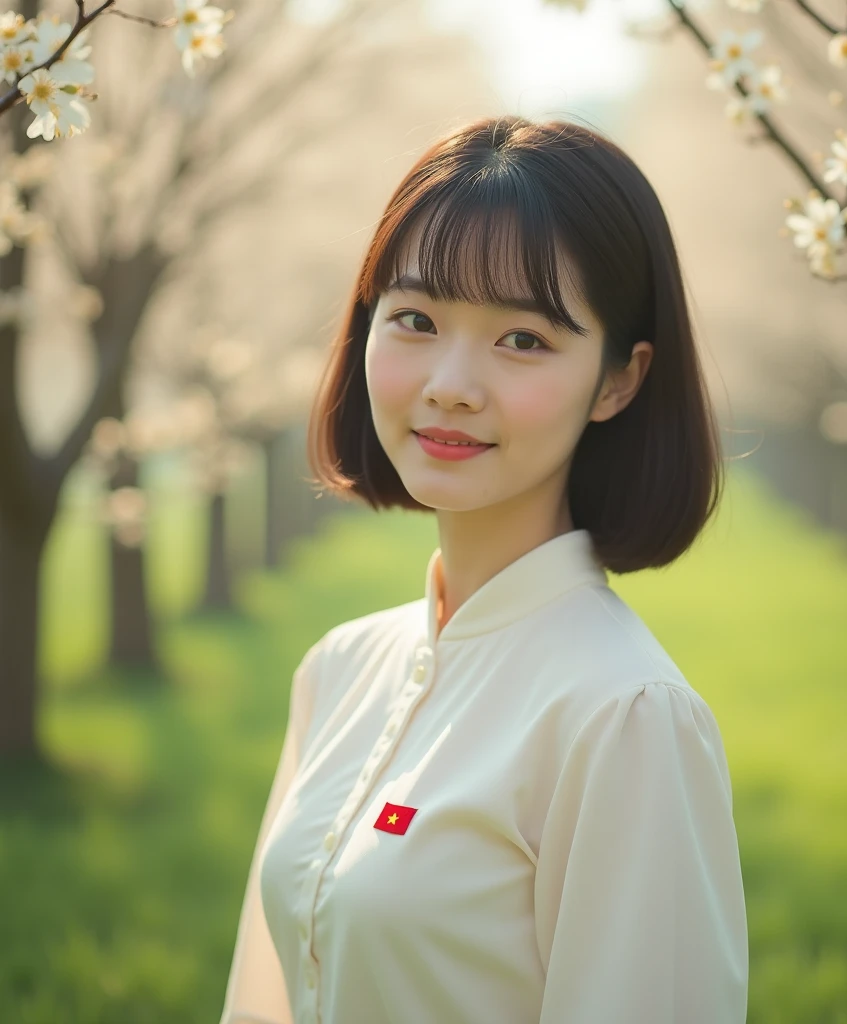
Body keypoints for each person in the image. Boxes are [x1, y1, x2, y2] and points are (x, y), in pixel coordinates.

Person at [218, 114, 748, 1024]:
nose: (452, 384)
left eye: (524, 340)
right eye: (416, 320)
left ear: (620, 379)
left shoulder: (623, 719)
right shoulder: (339, 668)